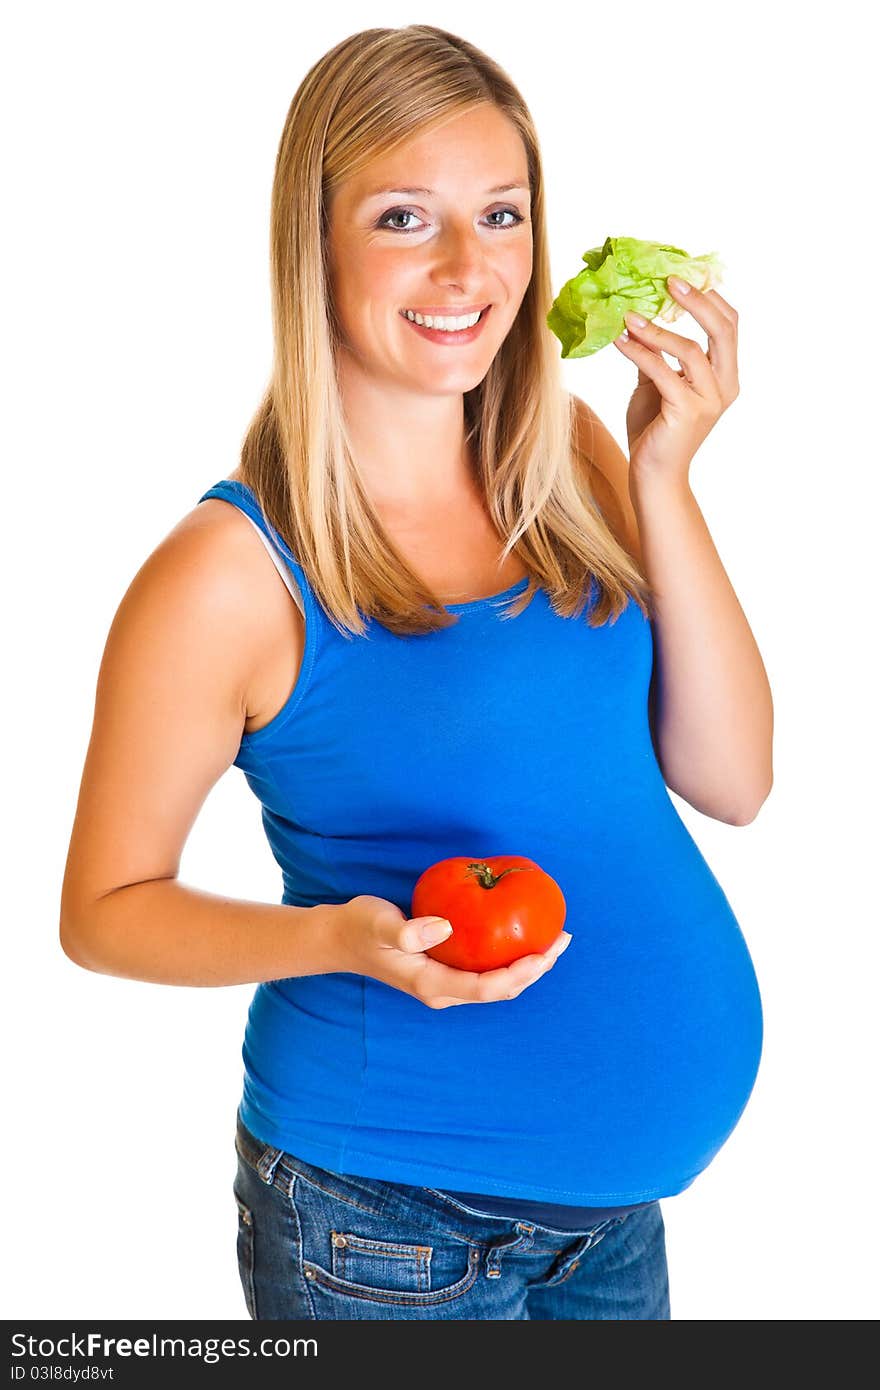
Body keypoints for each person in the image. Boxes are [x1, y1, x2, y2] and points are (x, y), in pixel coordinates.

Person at [59, 24, 772, 1321]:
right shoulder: (229, 576)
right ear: (313, 244)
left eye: (501, 213)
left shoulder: (563, 454)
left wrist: (666, 472)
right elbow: (103, 907)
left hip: (612, 1227)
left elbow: (731, 776)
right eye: (404, 217)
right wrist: (336, 940)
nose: (468, 267)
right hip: (388, 1232)